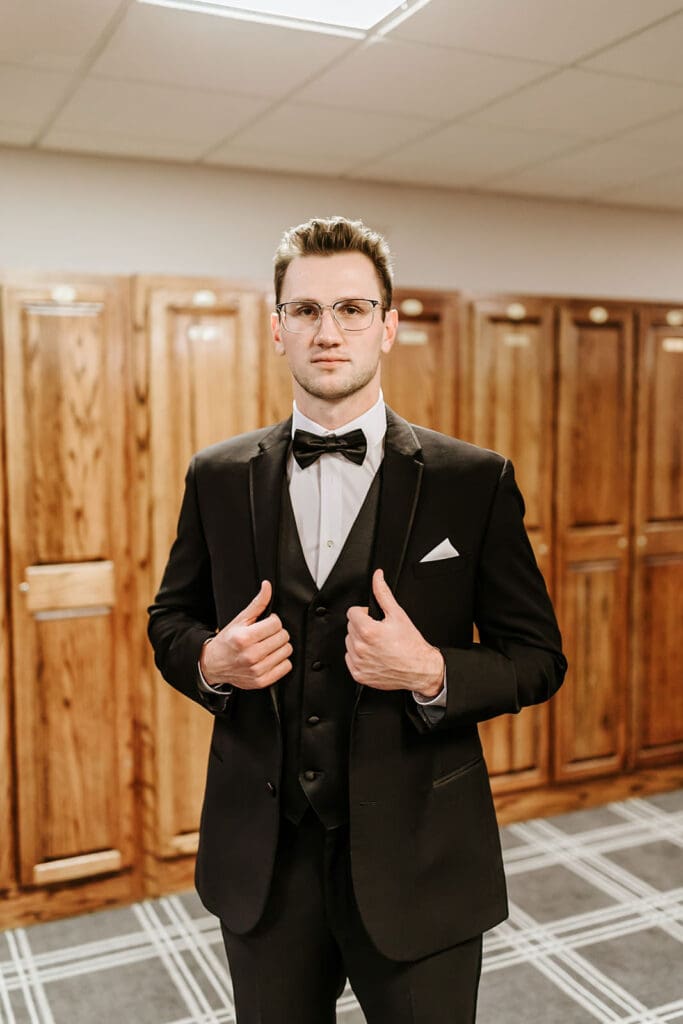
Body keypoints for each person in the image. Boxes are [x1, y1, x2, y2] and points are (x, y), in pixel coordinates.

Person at [147, 216, 567, 1024]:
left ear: (388, 325)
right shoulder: (217, 476)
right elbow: (171, 619)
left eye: (350, 309)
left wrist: (433, 673)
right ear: (276, 330)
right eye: (304, 311)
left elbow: (537, 657)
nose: (327, 331)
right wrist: (211, 661)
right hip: (265, 863)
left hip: (420, 856)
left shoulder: (471, 481)